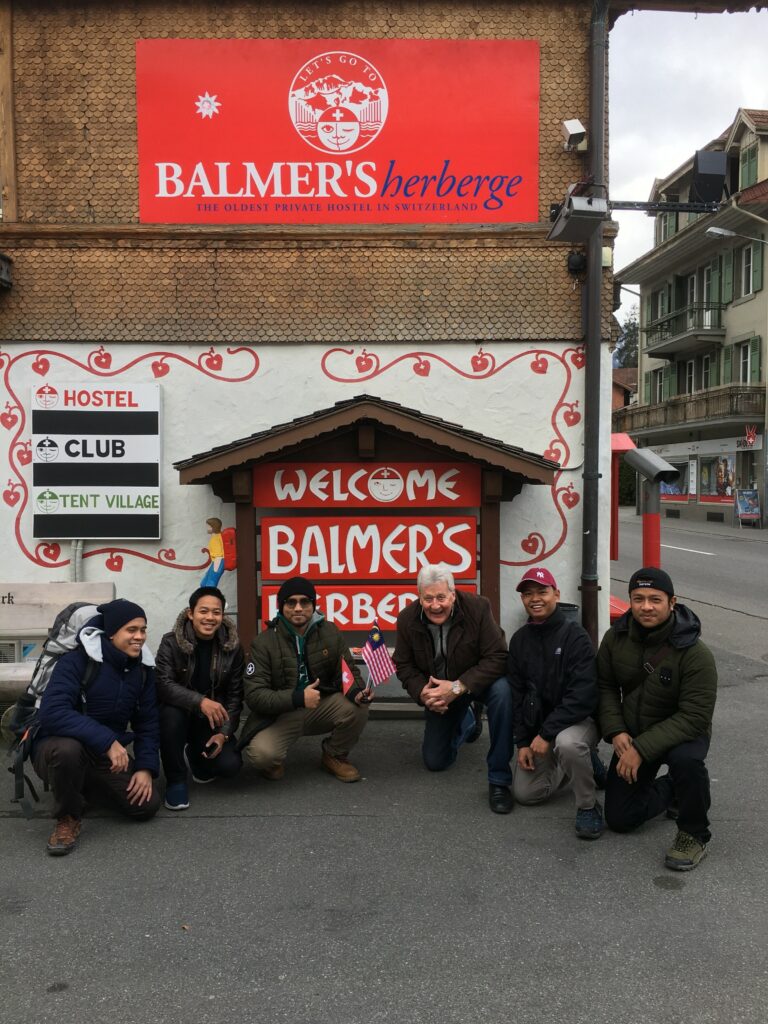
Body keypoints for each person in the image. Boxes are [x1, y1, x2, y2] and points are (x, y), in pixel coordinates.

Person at [598, 567, 718, 871]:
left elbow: (695, 716)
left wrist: (640, 749)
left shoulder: (695, 652)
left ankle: (694, 834)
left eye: (655, 599)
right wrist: (616, 731)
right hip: (636, 731)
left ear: (672, 601)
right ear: (630, 601)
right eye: (638, 598)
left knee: (687, 763)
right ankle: (673, 789)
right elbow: (605, 686)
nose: (646, 606)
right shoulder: (615, 638)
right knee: (620, 819)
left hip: (684, 734)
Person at [32, 598, 161, 856]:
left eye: (143, 630)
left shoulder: (143, 670)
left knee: (145, 806)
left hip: (102, 753)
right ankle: (68, 817)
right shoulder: (77, 661)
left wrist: (146, 768)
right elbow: (52, 713)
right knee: (68, 751)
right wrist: (108, 741)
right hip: (56, 746)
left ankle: (80, 784)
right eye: (131, 630)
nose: (139, 637)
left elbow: (147, 722)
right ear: (111, 633)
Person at [394, 564, 513, 814]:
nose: (435, 605)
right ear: (419, 597)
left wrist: (459, 687)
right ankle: (468, 720)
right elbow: (403, 665)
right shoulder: (406, 619)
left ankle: (499, 780)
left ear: (453, 594)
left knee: (503, 693)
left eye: (441, 597)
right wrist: (422, 693)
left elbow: (498, 657)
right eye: (428, 598)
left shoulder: (478, 608)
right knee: (436, 762)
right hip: (439, 690)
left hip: (474, 683)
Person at [240, 576, 371, 782]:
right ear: (281, 607)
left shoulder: (330, 631)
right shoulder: (263, 642)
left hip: (320, 705)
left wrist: (357, 691)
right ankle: (274, 760)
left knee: (358, 707)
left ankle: (333, 755)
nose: (298, 608)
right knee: (262, 756)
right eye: (291, 602)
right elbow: (255, 696)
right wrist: (298, 698)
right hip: (282, 713)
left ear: (313, 605)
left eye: (305, 602)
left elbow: (347, 671)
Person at [507, 567, 604, 839]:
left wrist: (547, 734)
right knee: (526, 794)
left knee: (569, 744)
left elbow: (582, 695)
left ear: (556, 594)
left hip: (577, 722)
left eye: (542, 591)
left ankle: (588, 806)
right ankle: (585, 763)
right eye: (528, 594)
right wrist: (523, 742)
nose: (534, 598)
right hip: (540, 730)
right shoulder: (519, 640)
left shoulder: (575, 636)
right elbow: (516, 695)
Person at [155, 586, 244, 811]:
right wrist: (199, 701)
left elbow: (235, 696)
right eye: (203, 611)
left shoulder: (232, 647)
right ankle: (176, 779)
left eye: (216, 612)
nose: (210, 618)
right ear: (191, 613)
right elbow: (163, 685)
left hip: (212, 718)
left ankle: (196, 758)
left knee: (230, 766)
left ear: (222, 616)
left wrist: (224, 734)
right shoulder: (171, 642)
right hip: (180, 712)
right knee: (170, 715)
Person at [200, 516, 225, 587]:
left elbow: (219, 555)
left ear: (213, 527)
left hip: (218, 561)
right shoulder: (219, 536)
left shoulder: (215, 539)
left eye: (208, 526)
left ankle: (210, 596)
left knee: (210, 584)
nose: (207, 528)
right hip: (216, 561)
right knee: (204, 584)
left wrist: (215, 568)